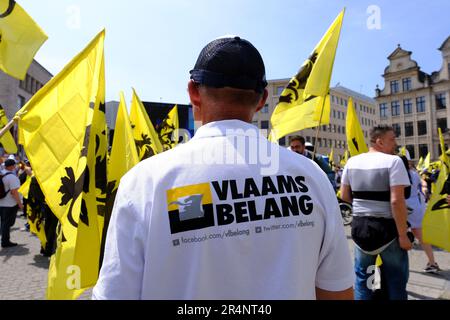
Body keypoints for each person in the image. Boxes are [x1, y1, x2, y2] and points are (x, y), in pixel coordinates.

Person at [94, 36, 354, 300]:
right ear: (263, 98)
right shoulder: (312, 177)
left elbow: (116, 294)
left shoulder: (144, 182)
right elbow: (337, 292)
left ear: (193, 92)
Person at [340, 125, 412, 300]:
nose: (395, 143)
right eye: (392, 139)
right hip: (388, 230)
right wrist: (403, 235)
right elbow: (397, 201)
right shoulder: (393, 162)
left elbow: (344, 196)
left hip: (360, 230)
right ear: (379, 141)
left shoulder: (352, 162)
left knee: (363, 280)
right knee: (395, 281)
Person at [403, 156, 440, 273]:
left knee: (398, 238)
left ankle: (396, 268)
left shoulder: (398, 174)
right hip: (417, 206)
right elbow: (423, 181)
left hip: (403, 206)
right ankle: (432, 262)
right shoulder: (413, 173)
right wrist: (424, 188)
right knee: (422, 238)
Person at [0, 159, 24, 248]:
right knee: (7, 223)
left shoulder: (1, 173)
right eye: (14, 165)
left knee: (4, 222)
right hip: (9, 204)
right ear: (11, 166)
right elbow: (14, 192)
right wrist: (20, 204)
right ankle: (5, 242)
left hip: (1, 203)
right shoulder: (12, 177)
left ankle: (4, 240)